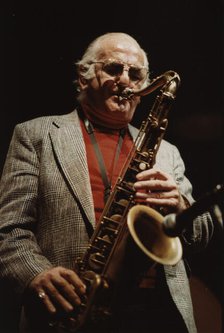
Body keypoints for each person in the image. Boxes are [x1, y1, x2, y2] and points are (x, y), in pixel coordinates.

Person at [0, 32, 214, 333]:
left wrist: (179, 205)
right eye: (114, 68)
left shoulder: (167, 152)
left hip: (155, 312)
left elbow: (202, 235)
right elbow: (9, 230)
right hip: (71, 309)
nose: (126, 80)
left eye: (136, 74)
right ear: (84, 76)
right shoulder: (36, 134)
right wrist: (35, 275)